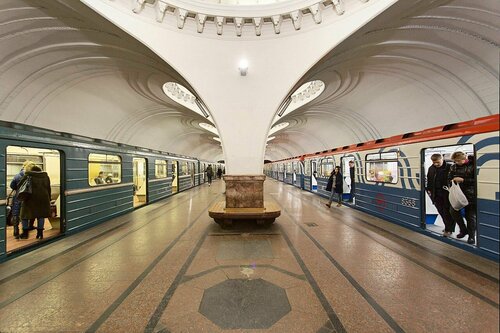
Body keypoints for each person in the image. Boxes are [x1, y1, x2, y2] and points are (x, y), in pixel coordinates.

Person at [448, 151, 476, 244]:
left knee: (470, 216)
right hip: (457, 194)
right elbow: (449, 178)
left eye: (458, 161)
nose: (456, 162)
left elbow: (476, 181)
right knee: (453, 211)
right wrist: (451, 181)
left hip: (470, 195)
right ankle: (463, 230)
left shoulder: (473, 166)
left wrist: (463, 180)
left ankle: (472, 236)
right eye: (455, 161)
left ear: (464, 159)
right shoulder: (453, 167)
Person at [18, 164, 51, 240]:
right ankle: (40, 234)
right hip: (43, 199)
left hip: (30, 199)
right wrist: (49, 198)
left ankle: (25, 233)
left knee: (24, 216)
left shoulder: (28, 176)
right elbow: (48, 188)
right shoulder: (45, 176)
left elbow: (20, 185)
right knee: (41, 216)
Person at [425, 154, 454, 237]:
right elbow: (429, 180)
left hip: (447, 194)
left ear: (442, 159)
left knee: (447, 212)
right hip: (436, 194)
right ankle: (448, 227)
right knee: (441, 211)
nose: (436, 164)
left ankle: (448, 229)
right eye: (434, 162)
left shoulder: (450, 167)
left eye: (437, 162)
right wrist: (429, 190)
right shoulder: (431, 168)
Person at [9, 161, 35, 239]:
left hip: (18, 197)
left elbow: (12, 186)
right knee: (25, 214)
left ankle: (16, 231)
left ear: (23, 166)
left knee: (16, 213)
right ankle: (26, 229)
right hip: (28, 198)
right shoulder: (32, 176)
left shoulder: (17, 176)